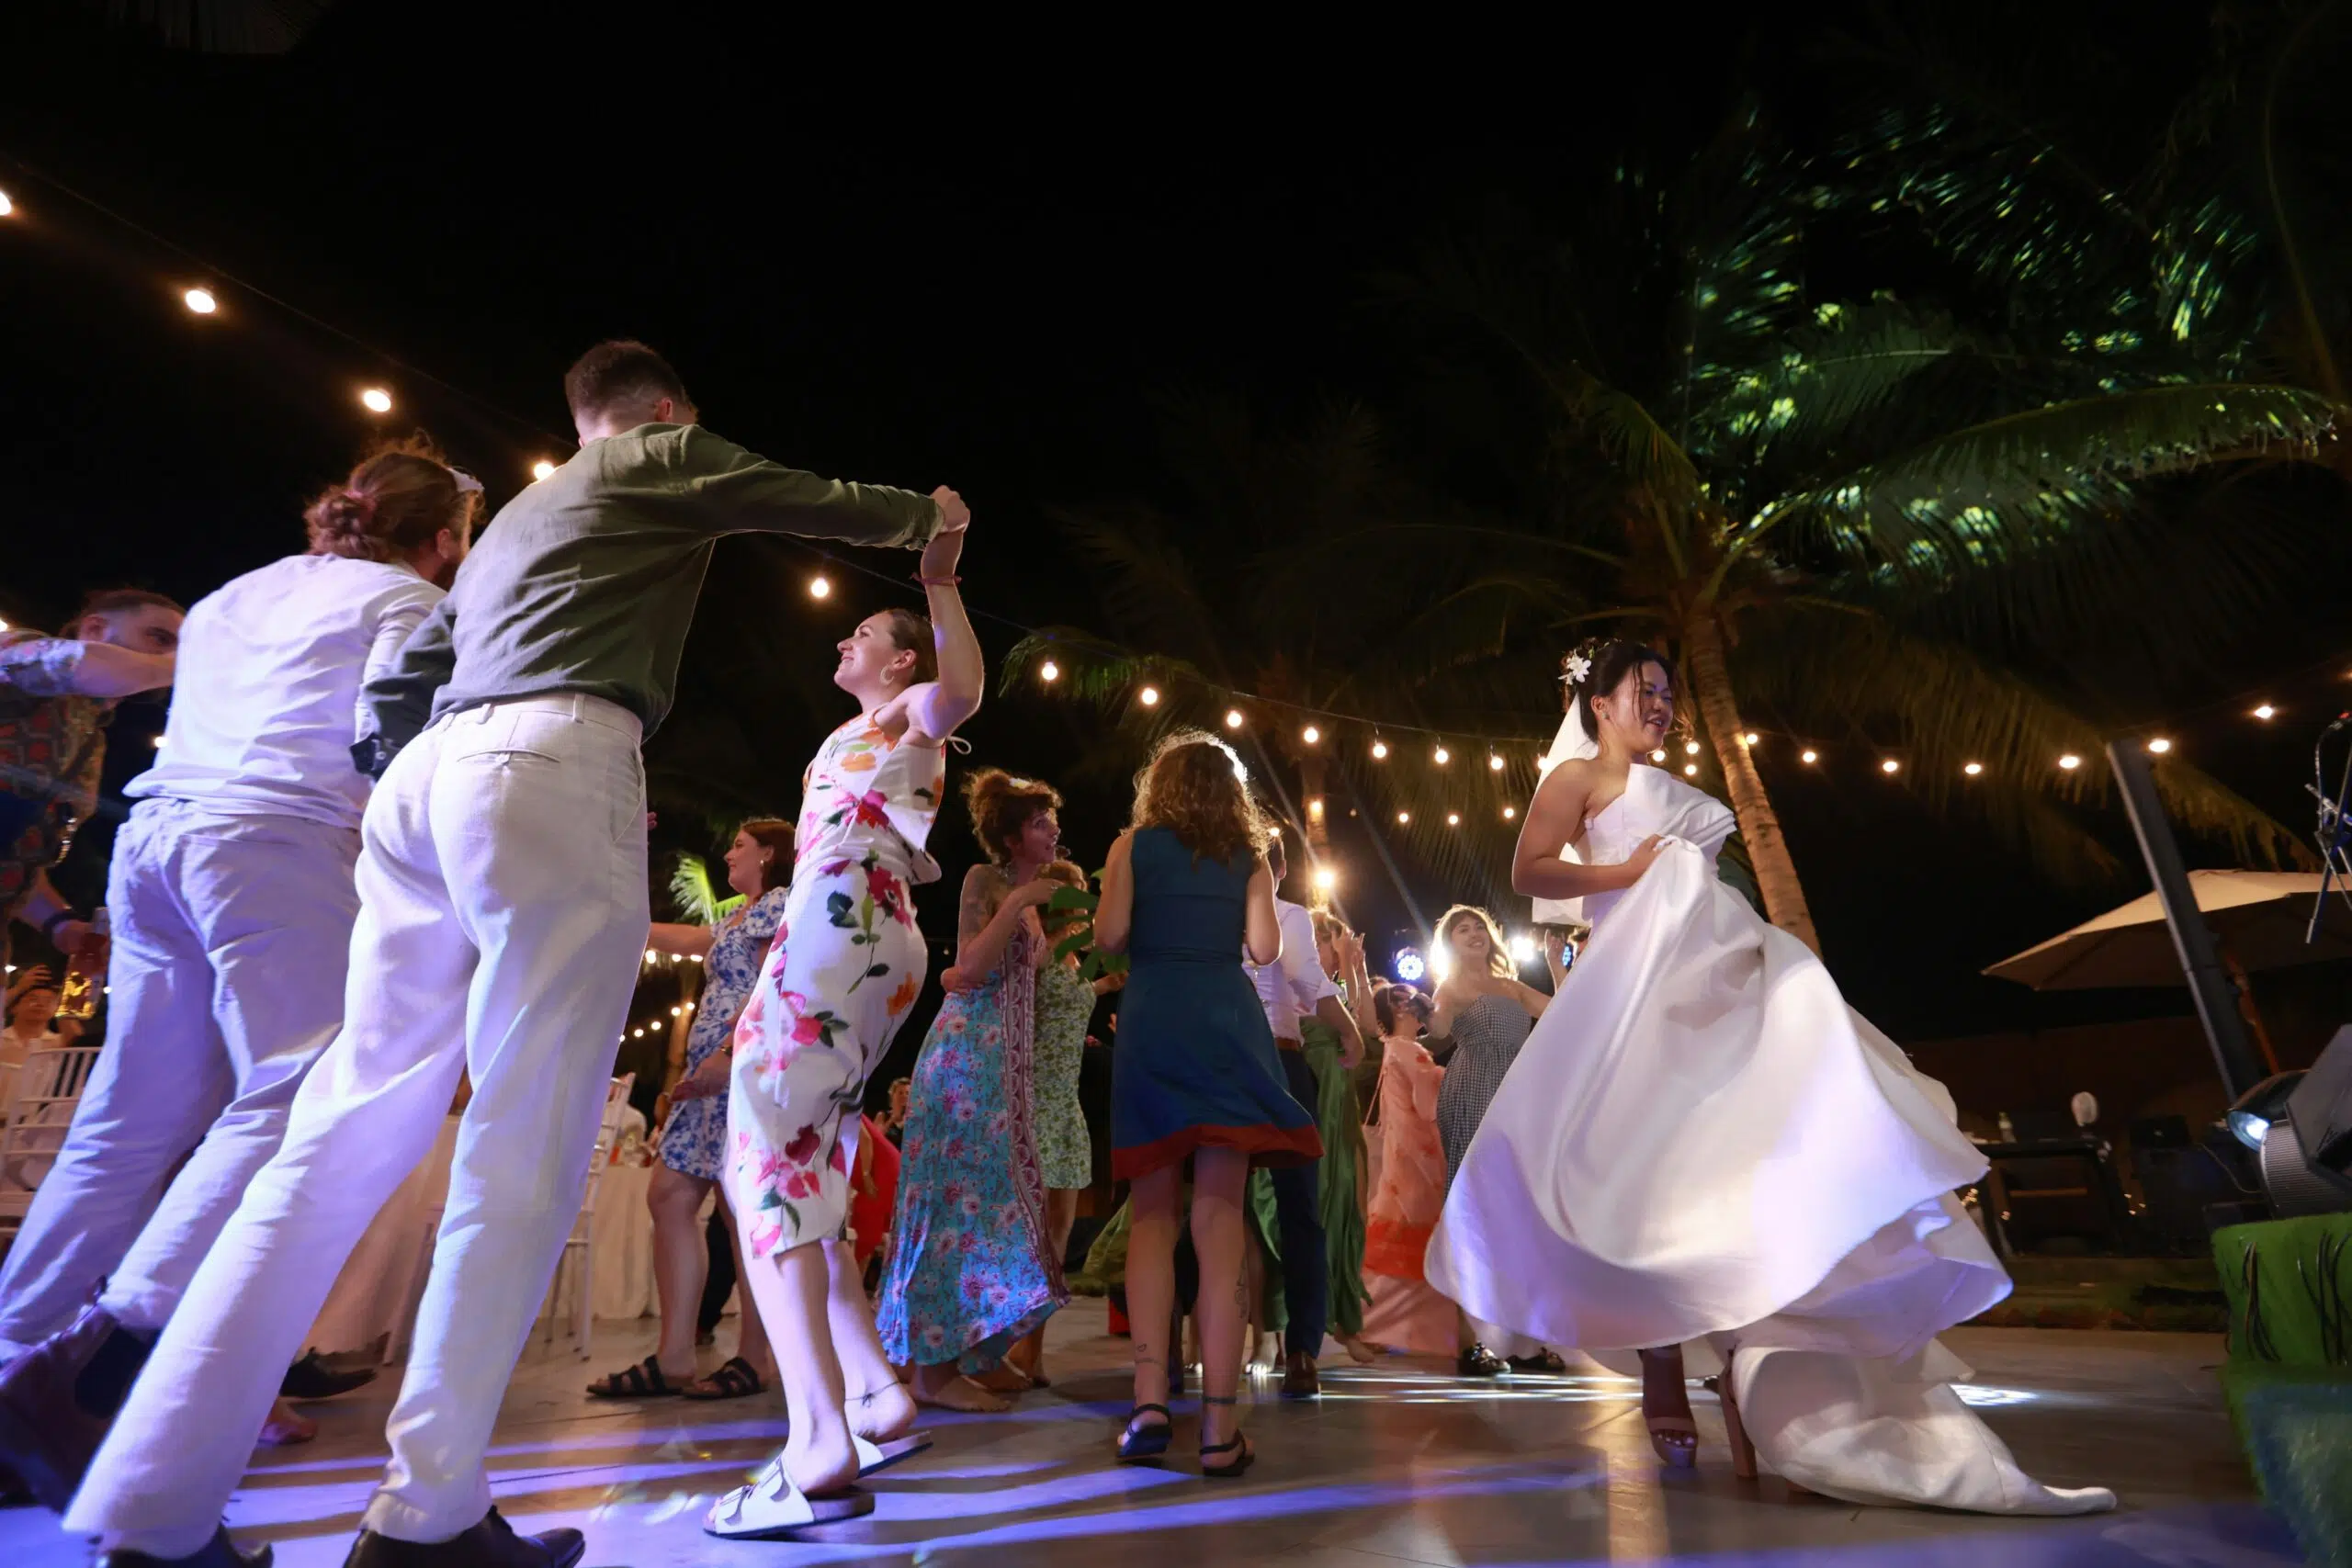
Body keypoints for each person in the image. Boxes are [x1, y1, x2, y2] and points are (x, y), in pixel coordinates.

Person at [67, 340, 958, 1568]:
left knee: (338, 1122)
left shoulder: (512, 521)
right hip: (550, 756)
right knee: (520, 1146)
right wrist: (929, 520)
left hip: (423, 788)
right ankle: (426, 1511)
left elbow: (412, 673)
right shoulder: (657, 452)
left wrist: (410, 771)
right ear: (658, 409)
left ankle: (153, 1504)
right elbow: (794, 493)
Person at [1426, 638, 2114, 1514]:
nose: (1662, 704)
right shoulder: (1577, 780)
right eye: (1645, 690)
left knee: (1741, 1159)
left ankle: (1777, 1380)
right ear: (1598, 704)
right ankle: (1666, 1366)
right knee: (1647, 1179)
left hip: (1713, 974)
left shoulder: (1680, 790)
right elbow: (1531, 868)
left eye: (1669, 692)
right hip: (1636, 996)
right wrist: (1628, 870)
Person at [0, 445, 473, 1513]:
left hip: (155, 839)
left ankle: (11, 1366)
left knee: (122, 1120)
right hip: (278, 841)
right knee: (296, 1089)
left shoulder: (225, 596)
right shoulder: (409, 602)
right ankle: (96, 1353)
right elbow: (391, 742)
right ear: (443, 541)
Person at [707, 538, 982, 1539]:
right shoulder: (855, 729)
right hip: (854, 930)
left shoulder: (913, 713)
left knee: (763, 1165)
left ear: (901, 660)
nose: (843, 637)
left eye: (862, 632)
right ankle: (872, 1393)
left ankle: (814, 1437)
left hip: (842, 923)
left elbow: (961, 687)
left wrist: (938, 583)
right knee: (806, 1163)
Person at [1097, 731, 1319, 1478]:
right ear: (1235, 793)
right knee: (1220, 1219)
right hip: (1226, 1022)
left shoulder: (1132, 845)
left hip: (1155, 1017)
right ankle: (1221, 1431)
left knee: (1153, 1215)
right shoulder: (1249, 858)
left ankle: (1150, 1401)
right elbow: (1263, 950)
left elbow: (1110, 934)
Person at [876, 769, 1067, 1413]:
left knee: (989, 1208)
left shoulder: (1037, 900)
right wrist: (1016, 905)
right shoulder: (988, 883)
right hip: (963, 1061)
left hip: (1003, 1070)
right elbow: (970, 969)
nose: (1054, 830)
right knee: (953, 1209)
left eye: (1052, 820)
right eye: (1041, 822)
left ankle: (975, 1350)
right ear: (1013, 836)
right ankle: (931, 1373)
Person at [586, 819, 791, 1403]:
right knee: (671, 1195)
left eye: (741, 846)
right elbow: (672, 937)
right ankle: (675, 1354)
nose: (730, 853)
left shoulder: (778, 906)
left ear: (770, 854)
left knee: (737, 1213)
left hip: (742, 1072)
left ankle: (754, 1358)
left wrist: (727, 1055)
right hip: (712, 1081)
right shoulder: (735, 918)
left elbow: (771, 991)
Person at [1240, 829, 1364, 1398]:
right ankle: (1293, 1348)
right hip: (1252, 1058)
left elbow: (1307, 982)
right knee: (1278, 1208)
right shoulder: (1261, 911)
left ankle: (1298, 1348)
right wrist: (1350, 1032)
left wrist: (1347, 1027)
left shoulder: (1276, 914)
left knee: (1275, 1206)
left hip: (1253, 1059)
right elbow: (1306, 983)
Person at [0, 591, 182, 973]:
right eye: (160, 639)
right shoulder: (21, 649)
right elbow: (79, 663)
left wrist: (60, 925)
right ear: (95, 629)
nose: (172, 656)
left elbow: (17, 859)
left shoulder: (94, 743)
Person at [1428, 903, 1566, 1376]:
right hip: (1472, 1092)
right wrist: (1430, 1014)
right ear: (1449, 944)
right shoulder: (1451, 986)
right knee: (1474, 1215)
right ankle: (1471, 1343)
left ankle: (1522, 1345)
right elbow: (1440, 1029)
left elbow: (1563, 1014)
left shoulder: (1511, 986)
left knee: (1519, 1218)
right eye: (1462, 928)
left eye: (1479, 926)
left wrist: (1555, 966)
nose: (1473, 933)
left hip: (1515, 1099)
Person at [1004, 856, 1095, 1385]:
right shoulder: (1037, 947)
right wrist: (1034, 919)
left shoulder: (1074, 958)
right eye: (1076, 888)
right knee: (1032, 1231)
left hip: (1066, 1102)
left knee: (1059, 1232)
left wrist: (1104, 990)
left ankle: (1033, 1349)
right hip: (1034, 1100)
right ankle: (1017, 1346)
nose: (1085, 897)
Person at [1359, 985, 1455, 1355]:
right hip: (1418, 1153)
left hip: (1407, 1150)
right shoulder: (1408, 1051)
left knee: (1404, 1234)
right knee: (1415, 1230)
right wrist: (1449, 1074)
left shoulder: (1396, 1050)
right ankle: (1377, 1324)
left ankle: (1380, 1326)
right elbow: (1427, 1104)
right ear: (1401, 1010)